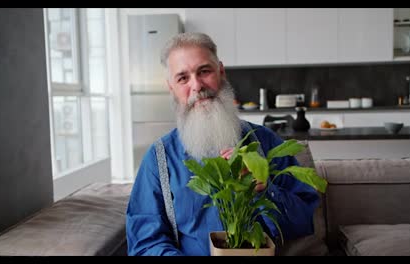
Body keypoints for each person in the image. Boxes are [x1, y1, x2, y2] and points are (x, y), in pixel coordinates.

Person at [125, 32, 320, 256]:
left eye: (204, 71)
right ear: (171, 88)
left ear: (221, 71)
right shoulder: (158, 159)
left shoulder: (265, 142)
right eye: (183, 78)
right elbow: (145, 243)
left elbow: (304, 220)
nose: (197, 86)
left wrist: (264, 190)